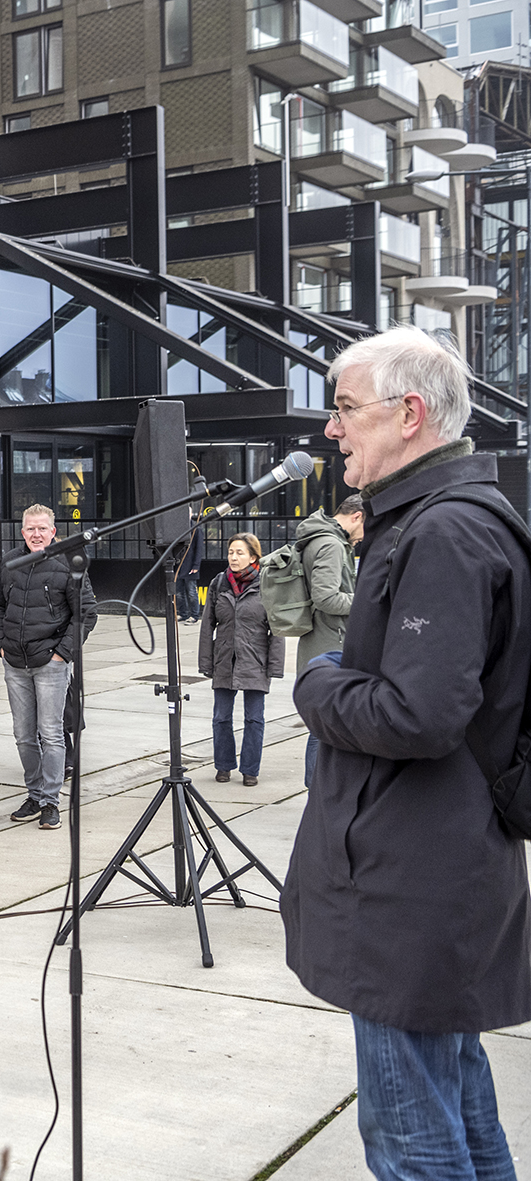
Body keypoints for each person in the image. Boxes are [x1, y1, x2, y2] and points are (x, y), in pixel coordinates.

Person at [286, 326, 531, 1177]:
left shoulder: (445, 534)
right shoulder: (438, 521)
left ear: (411, 413)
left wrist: (318, 683)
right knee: (461, 1112)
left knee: (414, 1140)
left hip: (411, 888)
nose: (332, 429)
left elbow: (420, 714)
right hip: (428, 877)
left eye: (346, 408)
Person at [0, 504, 97, 832]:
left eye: (42, 529)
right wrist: (1, 641)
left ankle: (51, 801)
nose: (36, 534)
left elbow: (87, 613)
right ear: (22, 532)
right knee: (23, 736)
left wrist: (62, 654)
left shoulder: (68, 563)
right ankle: (34, 794)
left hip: (50, 663)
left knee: (51, 734)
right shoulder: (10, 561)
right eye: (30, 529)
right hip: (15, 662)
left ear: (53, 531)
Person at [197, 533, 285, 786]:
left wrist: (274, 667)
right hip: (224, 659)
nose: (234, 557)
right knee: (221, 718)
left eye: (240, 553)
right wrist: (206, 662)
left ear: (254, 557)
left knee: (254, 719)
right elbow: (207, 626)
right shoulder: (218, 583)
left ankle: (250, 770)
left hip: (255, 660)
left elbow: (276, 630)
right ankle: (223, 766)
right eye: (231, 552)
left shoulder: (267, 585)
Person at [293, 495, 363, 789]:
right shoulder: (331, 545)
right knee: (324, 730)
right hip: (330, 644)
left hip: (320, 641)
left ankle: (319, 793)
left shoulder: (321, 537)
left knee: (324, 727)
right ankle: (318, 794)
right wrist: (366, 600)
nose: (364, 537)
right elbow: (327, 598)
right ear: (358, 516)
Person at [174, 523, 204, 624]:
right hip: (179, 565)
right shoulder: (178, 528)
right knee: (179, 592)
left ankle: (194, 616)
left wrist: (196, 566)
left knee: (191, 592)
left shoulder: (196, 529)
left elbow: (199, 549)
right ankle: (183, 613)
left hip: (190, 565)